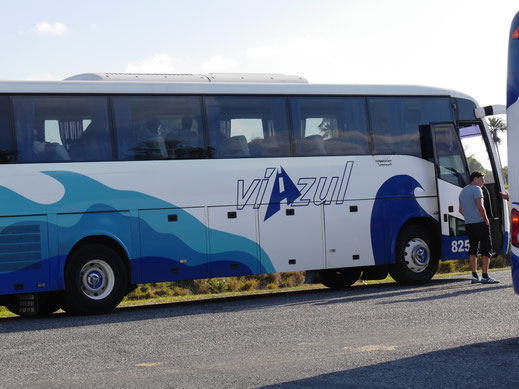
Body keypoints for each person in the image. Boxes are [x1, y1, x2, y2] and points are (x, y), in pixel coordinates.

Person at [458, 171, 499, 284]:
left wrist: (469, 217)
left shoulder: (463, 191)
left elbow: (460, 210)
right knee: (486, 248)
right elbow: (480, 207)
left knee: (473, 249)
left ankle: (474, 276)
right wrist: (486, 220)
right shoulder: (477, 189)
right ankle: (485, 276)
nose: (483, 182)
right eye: (482, 179)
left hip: (469, 224)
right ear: (475, 179)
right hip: (480, 223)